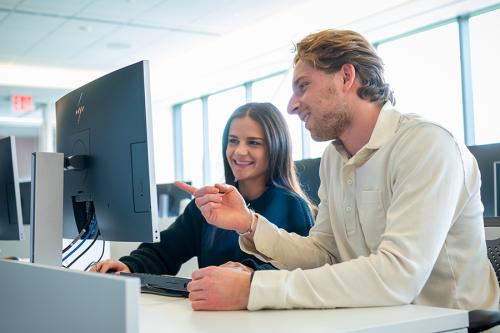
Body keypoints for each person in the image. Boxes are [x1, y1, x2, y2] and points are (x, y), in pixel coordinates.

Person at [179, 29, 500, 311]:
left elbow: (398, 276)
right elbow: (323, 253)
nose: (291, 105)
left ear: (346, 77)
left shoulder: (426, 145)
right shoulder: (335, 159)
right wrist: (249, 224)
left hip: (455, 323)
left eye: (303, 86)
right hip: (381, 320)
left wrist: (254, 289)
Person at [91, 102, 315, 275]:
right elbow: (166, 250)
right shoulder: (211, 202)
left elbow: (302, 272)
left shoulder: (292, 207)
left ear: (276, 148)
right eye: (233, 141)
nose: (239, 151)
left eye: (253, 142)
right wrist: (128, 266)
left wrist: (249, 278)